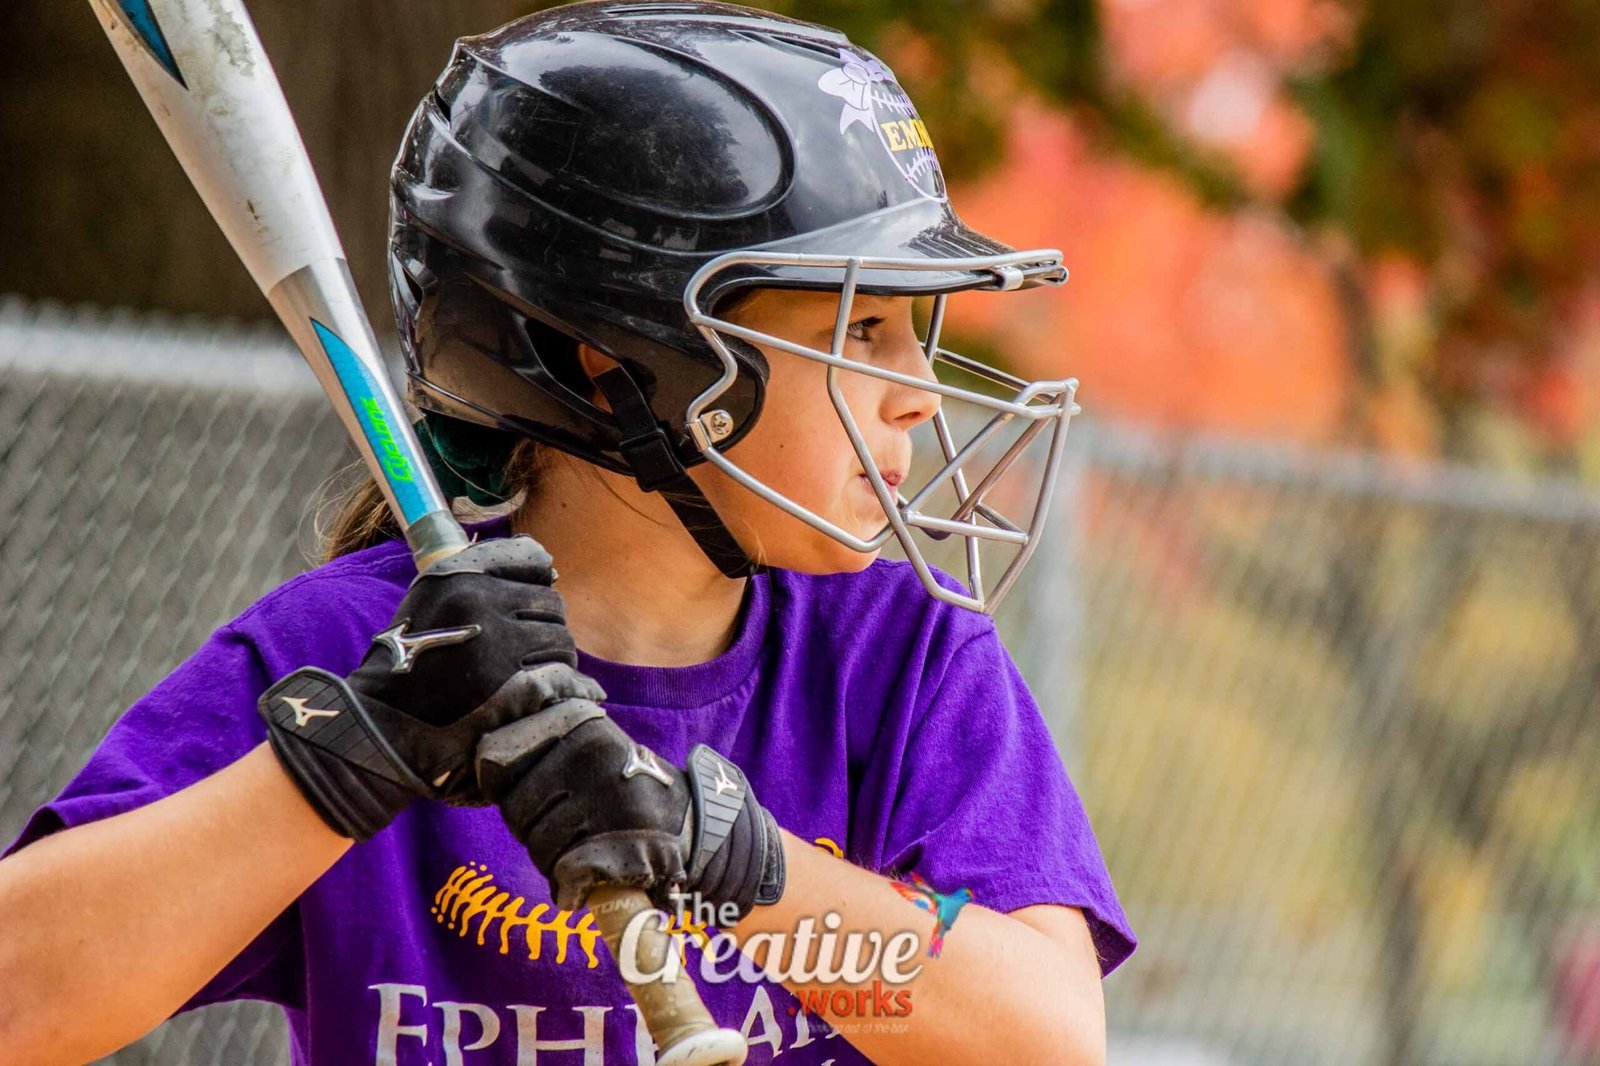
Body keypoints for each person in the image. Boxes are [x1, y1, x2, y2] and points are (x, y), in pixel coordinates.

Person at [0, 3, 1135, 1064]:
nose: (919, 394)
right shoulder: (371, 652)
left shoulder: (895, 656)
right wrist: (349, 760)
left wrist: (730, 853)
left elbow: (1046, 1037)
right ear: (614, 365)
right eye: (862, 326)